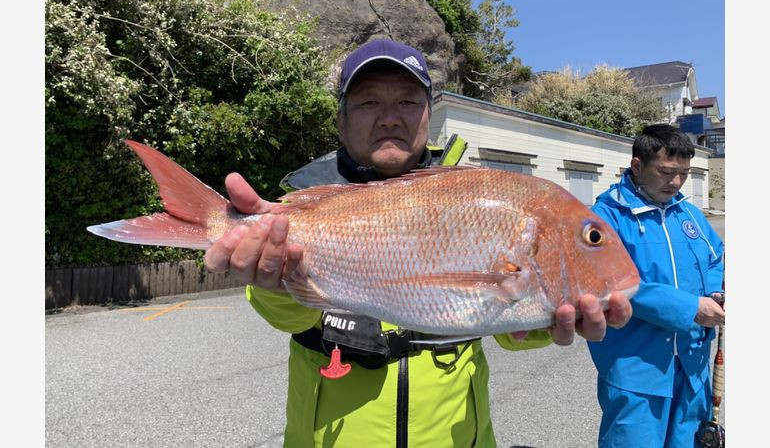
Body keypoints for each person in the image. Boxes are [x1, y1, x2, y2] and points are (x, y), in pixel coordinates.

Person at [204, 38, 632, 447]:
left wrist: (549, 322)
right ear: (341, 120)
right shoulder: (305, 209)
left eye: (408, 101)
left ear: (428, 115)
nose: (390, 116)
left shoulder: (473, 189)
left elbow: (508, 332)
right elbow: (288, 319)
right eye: (370, 101)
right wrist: (273, 278)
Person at [587, 124, 725, 447]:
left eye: (684, 173)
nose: (676, 182)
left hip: (692, 369)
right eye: (665, 172)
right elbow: (611, 283)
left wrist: (719, 291)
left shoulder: (688, 214)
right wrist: (690, 308)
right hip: (637, 370)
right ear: (637, 166)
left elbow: (716, 258)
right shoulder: (606, 217)